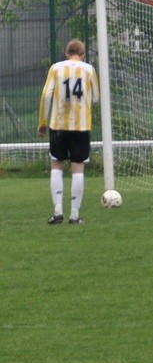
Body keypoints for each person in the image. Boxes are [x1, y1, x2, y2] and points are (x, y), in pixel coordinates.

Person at [38, 39, 100, 225]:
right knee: (78, 167)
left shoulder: (56, 68)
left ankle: (57, 211)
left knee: (56, 165)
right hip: (80, 126)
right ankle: (74, 214)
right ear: (82, 55)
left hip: (58, 125)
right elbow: (96, 97)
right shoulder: (89, 70)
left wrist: (42, 122)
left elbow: (46, 95)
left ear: (67, 53)